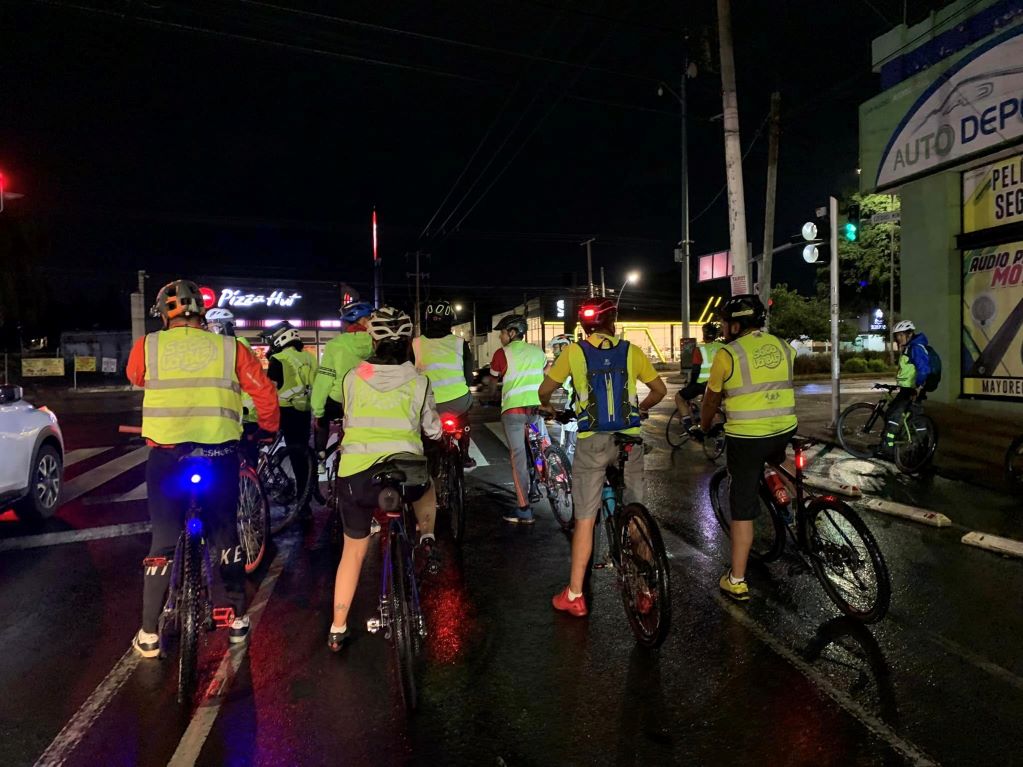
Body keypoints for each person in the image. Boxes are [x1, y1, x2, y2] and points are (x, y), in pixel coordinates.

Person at [126, 279, 279, 658]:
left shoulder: (147, 346)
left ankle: (148, 633)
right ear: (202, 313)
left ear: (164, 315)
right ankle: (236, 617)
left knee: (164, 540)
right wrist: (267, 428)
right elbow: (263, 392)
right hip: (218, 455)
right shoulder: (231, 348)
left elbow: (136, 377)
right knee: (225, 535)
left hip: (167, 457)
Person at [539, 298, 666, 617]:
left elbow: (545, 390)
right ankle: (646, 589)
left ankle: (575, 595)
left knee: (585, 518)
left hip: (592, 442)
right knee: (636, 515)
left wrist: (550, 408)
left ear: (584, 326)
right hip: (629, 440)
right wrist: (641, 409)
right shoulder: (632, 351)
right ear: (613, 322)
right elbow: (659, 390)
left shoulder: (573, 352)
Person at [327, 306, 442, 652]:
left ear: (373, 340)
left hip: (357, 476)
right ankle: (427, 536)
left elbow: (345, 412)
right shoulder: (419, 380)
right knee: (426, 483)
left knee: (353, 551)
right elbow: (432, 429)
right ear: (407, 341)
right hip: (406, 472)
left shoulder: (353, 376)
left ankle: (337, 628)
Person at [695, 294, 796, 602]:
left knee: (742, 508)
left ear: (736, 326)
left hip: (748, 438)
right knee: (776, 458)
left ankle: (736, 580)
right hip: (786, 428)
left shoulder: (728, 354)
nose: (724, 328)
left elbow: (711, 400)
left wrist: (704, 426)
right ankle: (792, 499)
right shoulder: (784, 346)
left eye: (726, 323)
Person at [489, 313, 549, 524]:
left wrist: (492, 396)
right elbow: (547, 374)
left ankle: (524, 509)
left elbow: (493, 381)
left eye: (502, 333)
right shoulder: (538, 352)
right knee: (540, 446)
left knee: (519, 458)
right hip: (535, 410)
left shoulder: (501, 353)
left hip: (514, 412)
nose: (500, 337)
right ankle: (549, 479)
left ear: (512, 333)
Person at [262, 320, 317, 518]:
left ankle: (301, 503)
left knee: (292, 457)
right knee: (301, 457)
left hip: (284, 412)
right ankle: (306, 499)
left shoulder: (279, 358)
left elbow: (269, 390)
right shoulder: (309, 357)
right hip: (305, 411)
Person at [412, 299, 476, 468]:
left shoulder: (415, 344)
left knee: (423, 431)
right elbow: (469, 378)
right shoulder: (460, 343)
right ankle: (464, 455)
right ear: (449, 321)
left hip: (427, 405)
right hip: (457, 402)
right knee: (464, 420)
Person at [311, 301, 374, 455]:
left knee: (321, 420)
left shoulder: (335, 344)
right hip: (368, 400)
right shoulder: (376, 343)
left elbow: (324, 380)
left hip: (340, 400)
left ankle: (321, 455)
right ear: (364, 321)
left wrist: (318, 412)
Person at [881, 320, 930, 458]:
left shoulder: (916, 348)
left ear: (909, 334)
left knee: (894, 416)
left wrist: (918, 387)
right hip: (907, 388)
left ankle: (888, 449)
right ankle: (922, 447)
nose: (898, 338)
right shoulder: (910, 347)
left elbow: (924, 369)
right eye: (897, 335)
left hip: (911, 390)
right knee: (914, 418)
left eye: (901, 335)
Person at [674, 322, 723, 426]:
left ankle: (688, 424)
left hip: (702, 384)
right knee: (712, 403)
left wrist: (691, 384)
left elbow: (696, 370)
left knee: (679, 397)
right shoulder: (724, 347)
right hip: (719, 383)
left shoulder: (700, 349)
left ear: (704, 335)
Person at [548, 333, 578, 463]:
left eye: (555, 347)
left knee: (570, 446)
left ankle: (571, 471)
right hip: (575, 409)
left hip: (573, 410)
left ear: (564, 347)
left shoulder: (567, 364)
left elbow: (557, 386)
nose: (553, 351)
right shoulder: (574, 361)